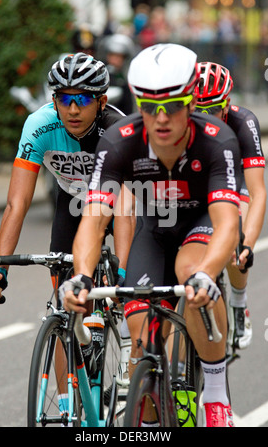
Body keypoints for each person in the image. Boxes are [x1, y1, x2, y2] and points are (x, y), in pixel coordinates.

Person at [60, 43, 242, 427]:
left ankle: (215, 393)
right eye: (149, 107)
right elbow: (93, 218)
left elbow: (227, 221)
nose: (160, 118)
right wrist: (82, 275)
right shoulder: (120, 140)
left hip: (198, 226)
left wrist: (209, 272)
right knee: (142, 344)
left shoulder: (217, 138)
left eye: (172, 106)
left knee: (191, 272)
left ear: (191, 102)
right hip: (153, 232)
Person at [0, 52, 134, 303]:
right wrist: (0, 269)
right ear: (54, 99)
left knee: (127, 293)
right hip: (72, 200)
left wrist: (123, 272)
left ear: (102, 101)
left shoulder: (118, 129)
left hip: (118, 204)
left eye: (83, 99)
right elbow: (17, 204)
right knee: (67, 304)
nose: (72, 110)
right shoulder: (39, 126)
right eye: (64, 99)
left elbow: (127, 208)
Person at [195, 61, 266, 348]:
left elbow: (257, 191)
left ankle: (238, 302)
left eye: (212, 110)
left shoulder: (243, 123)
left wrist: (247, 243)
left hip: (231, 184)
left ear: (226, 104)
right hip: (195, 184)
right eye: (196, 110)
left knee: (236, 242)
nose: (204, 118)